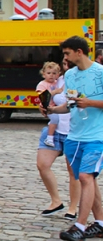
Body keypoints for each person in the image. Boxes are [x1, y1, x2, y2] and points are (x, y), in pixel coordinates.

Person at [46, 36, 103, 241]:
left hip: (97, 136)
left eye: (68, 53)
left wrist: (90, 103)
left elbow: (89, 103)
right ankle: (100, 223)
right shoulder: (70, 75)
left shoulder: (100, 72)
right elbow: (70, 105)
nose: (65, 57)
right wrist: (53, 110)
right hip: (74, 136)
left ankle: (79, 226)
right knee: (89, 180)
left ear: (80, 52)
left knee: (86, 177)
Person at [38, 60, 80, 219]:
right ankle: (56, 201)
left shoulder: (80, 80)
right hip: (54, 129)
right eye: (64, 62)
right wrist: (42, 107)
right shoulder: (56, 81)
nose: (65, 64)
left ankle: (73, 207)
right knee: (42, 165)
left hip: (73, 131)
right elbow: (43, 98)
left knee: (73, 171)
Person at [39, 61, 65, 149]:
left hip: (54, 107)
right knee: (55, 119)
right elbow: (42, 96)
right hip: (48, 107)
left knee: (54, 120)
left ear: (58, 75)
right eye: (49, 73)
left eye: (54, 73)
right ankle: (49, 138)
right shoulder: (42, 84)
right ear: (44, 74)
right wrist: (56, 91)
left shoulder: (57, 82)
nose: (51, 75)